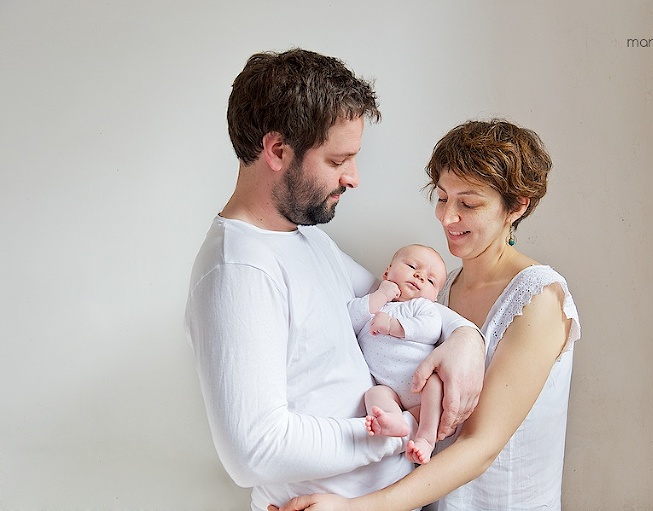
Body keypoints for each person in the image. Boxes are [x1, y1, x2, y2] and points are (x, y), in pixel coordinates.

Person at [184, 48, 485, 511]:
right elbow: (254, 450)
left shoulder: (305, 240)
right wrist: (397, 429)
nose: (354, 178)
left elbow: (398, 302)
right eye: (338, 160)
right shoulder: (239, 271)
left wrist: (465, 338)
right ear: (278, 151)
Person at [270, 119, 582, 511]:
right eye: (441, 197)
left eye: (468, 204)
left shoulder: (538, 299)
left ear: (516, 207)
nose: (447, 217)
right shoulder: (441, 289)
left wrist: (357, 507)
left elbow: (480, 446)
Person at [350, 244, 453, 465]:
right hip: (390, 389)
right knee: (375, 395)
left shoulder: (422, 308)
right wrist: (381, 294)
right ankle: (394, 420)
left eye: (431, 280)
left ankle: (426, 439)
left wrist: (394, 325)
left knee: (435, 384)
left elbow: (430, 328)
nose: (420, 276)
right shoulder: (376, 303)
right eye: (413, 266)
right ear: (387, 272)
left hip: (422, 383)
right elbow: (351, 318)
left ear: (434, 297)